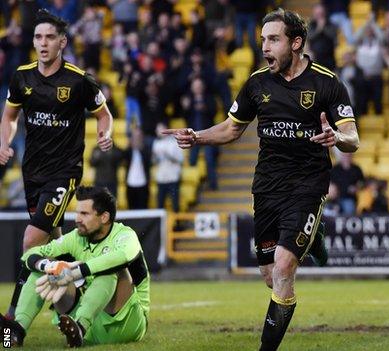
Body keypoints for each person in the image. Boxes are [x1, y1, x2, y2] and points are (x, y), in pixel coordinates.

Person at [164, 9, 359, 350]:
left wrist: (337, 140)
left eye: (273, 40)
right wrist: (197, 137)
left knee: (284, 268)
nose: (265, 48)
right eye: (263, 41)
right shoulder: (257, 83)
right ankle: (312, 239)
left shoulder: (327, 83)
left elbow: (352, 137)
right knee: (271, 277)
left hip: (307, 185)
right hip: (266, 186)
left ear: (295, 43)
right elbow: (231, 129)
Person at [0, 10, 113, 320]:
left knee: (31, 240)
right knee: (57, 245)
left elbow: (104, 115)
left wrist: (106, 134)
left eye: (50, 37)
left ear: (62, 42)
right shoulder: (21, 76)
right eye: (38, 37)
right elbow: (9, 116)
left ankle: (12, 316)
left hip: (65, 171)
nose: (43, 43)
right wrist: (4, 142)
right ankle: (76, 305)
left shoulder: (79, 81)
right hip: (31, 171)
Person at [0, 185, 149, 347]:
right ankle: (16, 332)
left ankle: (80, 325)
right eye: (77, 213)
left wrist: (75, 272)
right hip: (91, 325)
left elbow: (122, 256)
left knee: (111, 269)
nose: (77, 219)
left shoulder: (125, 235)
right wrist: (46, 265)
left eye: (84, 214)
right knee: (47, 272)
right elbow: (29, 254)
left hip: (128, 324)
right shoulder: (76, 237)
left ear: (104, 217)